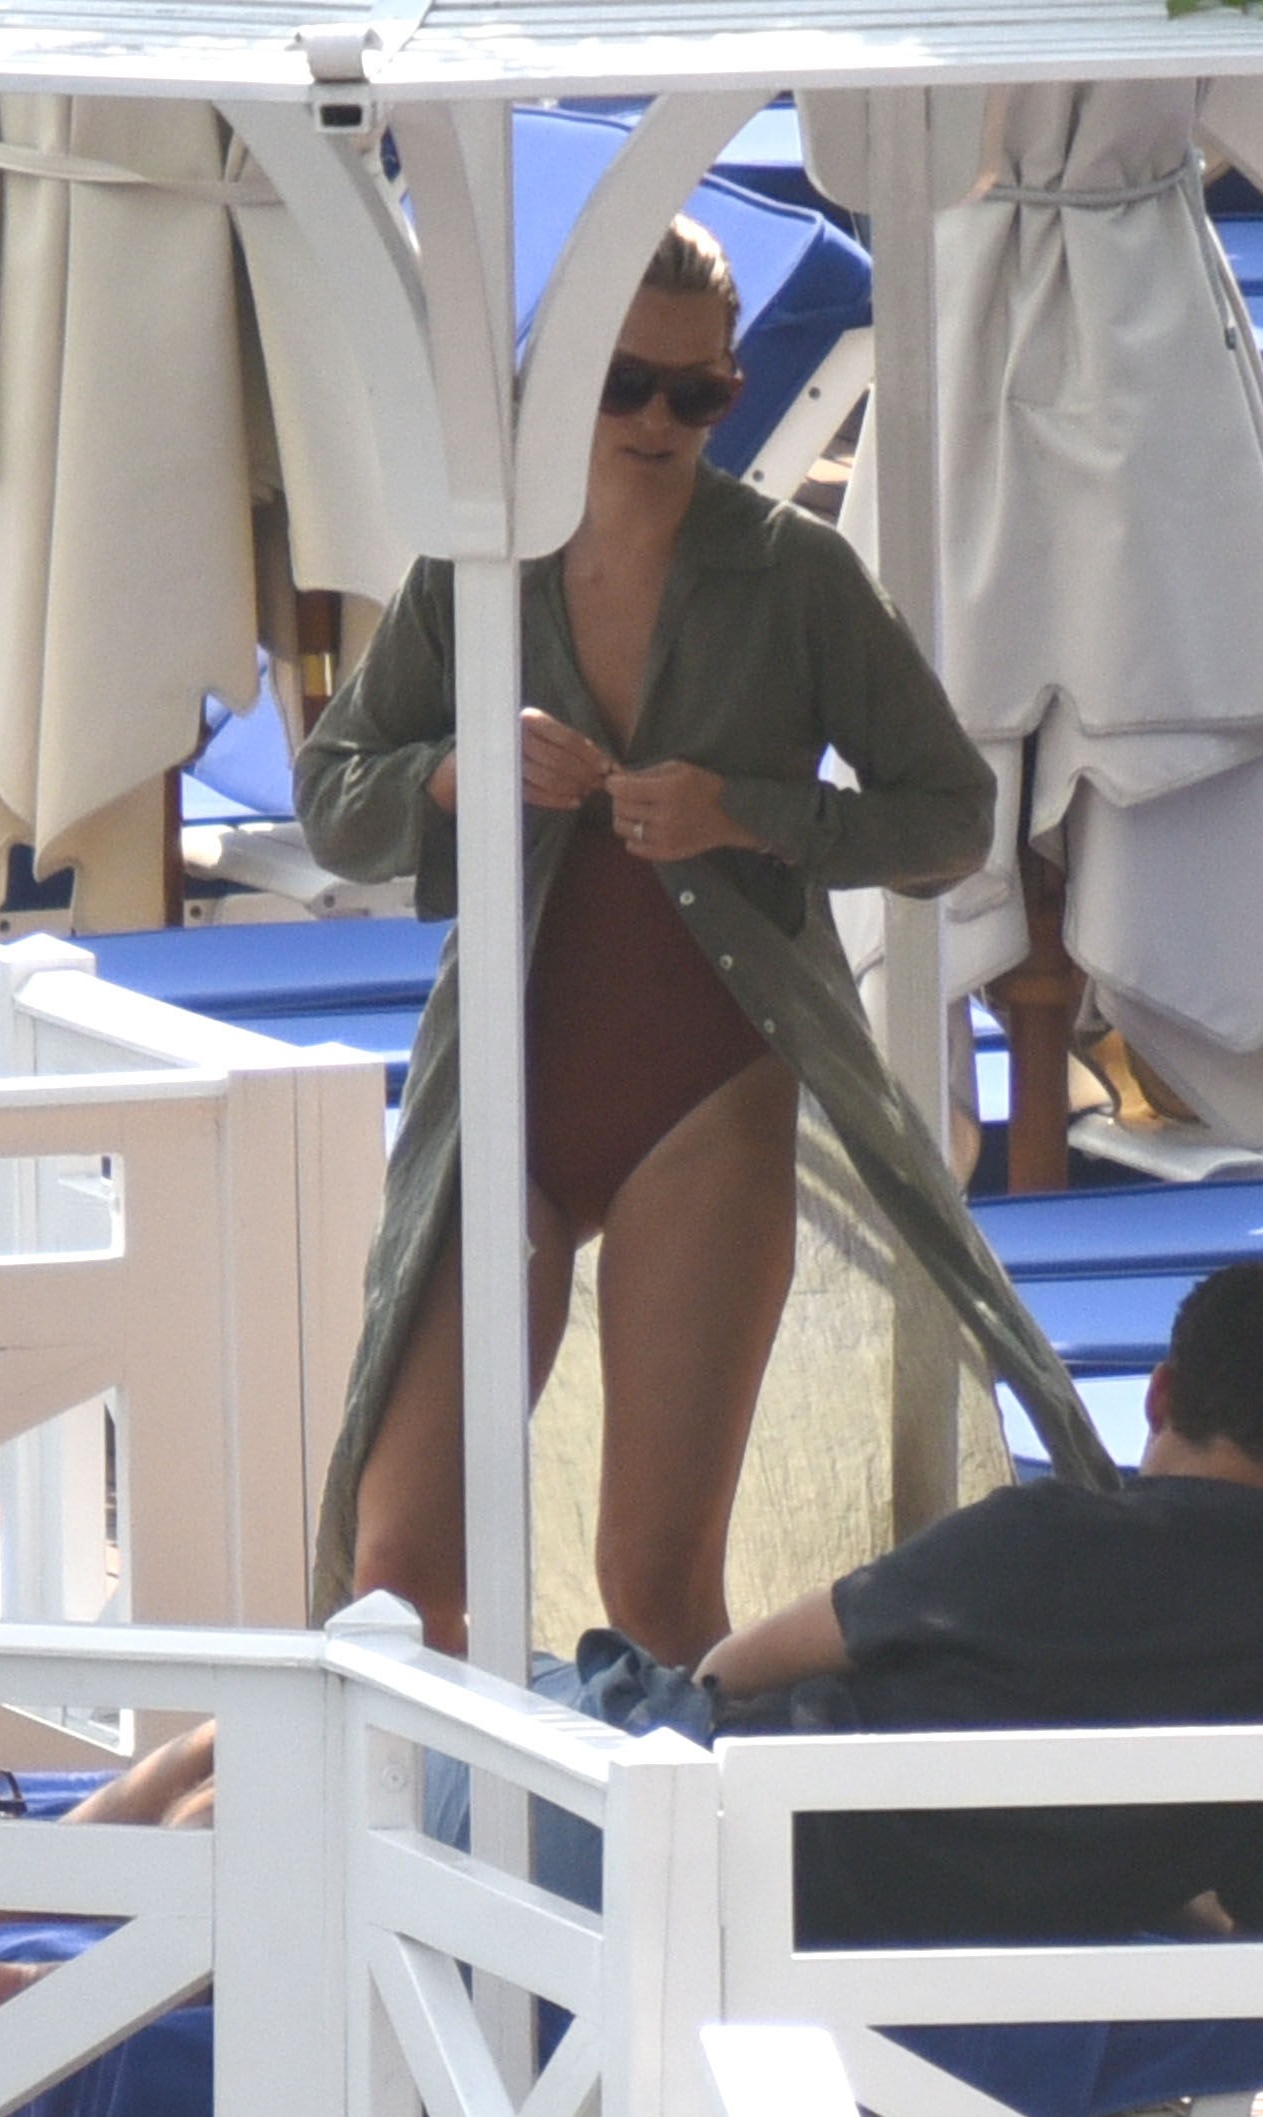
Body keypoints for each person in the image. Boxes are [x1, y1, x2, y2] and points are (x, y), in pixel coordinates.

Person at [0, 1261, 1263, 2037]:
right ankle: (85, 1979)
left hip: (670, 1847)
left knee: (297, 1730)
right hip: (897, 1943)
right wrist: (1128, 1861)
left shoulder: (1052, 1535)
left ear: (1162, 1399)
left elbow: (743, 1663)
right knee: (339, 1792)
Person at [290, 215, 1107, 1663]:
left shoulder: (792, 575)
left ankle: (701, 1813)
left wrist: (752, 814)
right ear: (560, 383)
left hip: (709, 1098)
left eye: (700, 392)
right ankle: (426, 1814)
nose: (660, 421)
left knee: (657, 1591)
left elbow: (949, 820)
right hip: (506, 1097)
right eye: (626, 385)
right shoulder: (480, 571)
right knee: (396, 1572)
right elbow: (332, 802)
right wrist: (456, 770)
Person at [701, 1259, 1263, 1947]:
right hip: (955, 1938)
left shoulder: (1032, 1537)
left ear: (1159, 1396)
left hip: (741, 1860)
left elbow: (728, 1669)